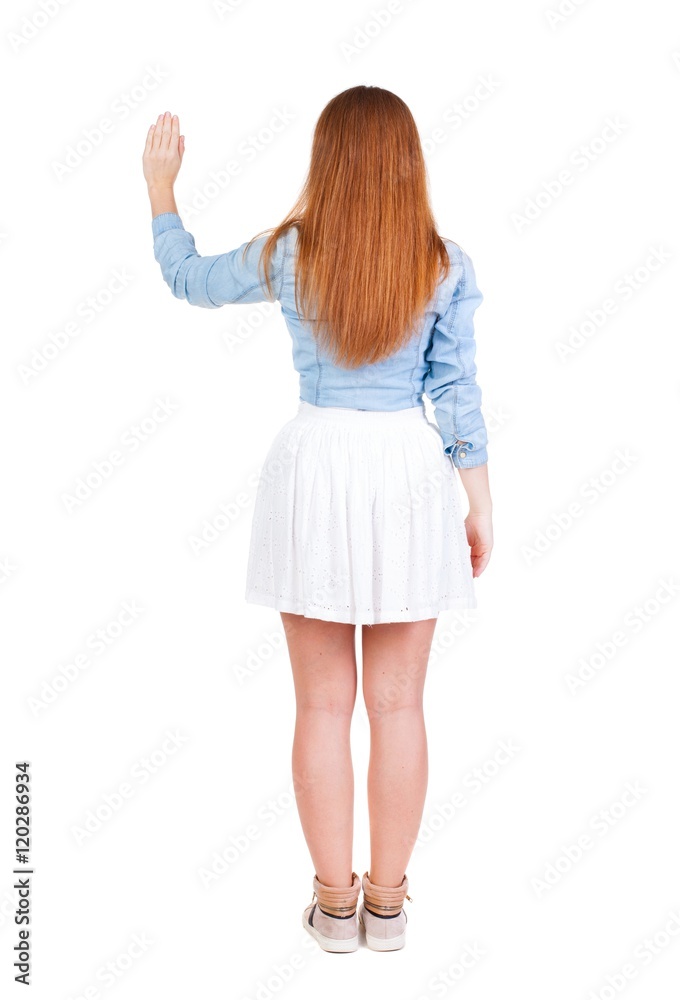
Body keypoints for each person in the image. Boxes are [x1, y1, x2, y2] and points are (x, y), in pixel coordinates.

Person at [143, 86, 493, 954]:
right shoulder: (443, 263)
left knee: (323, 705)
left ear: (326, 159)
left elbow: (189, 281)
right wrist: (479, 497)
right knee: (401, 705)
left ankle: (334, 909)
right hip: (408, 473)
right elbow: (456, 392)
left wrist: (161, 193)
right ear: (410, 162)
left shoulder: (289, 253)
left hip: (315, 465)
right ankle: (388, 906)